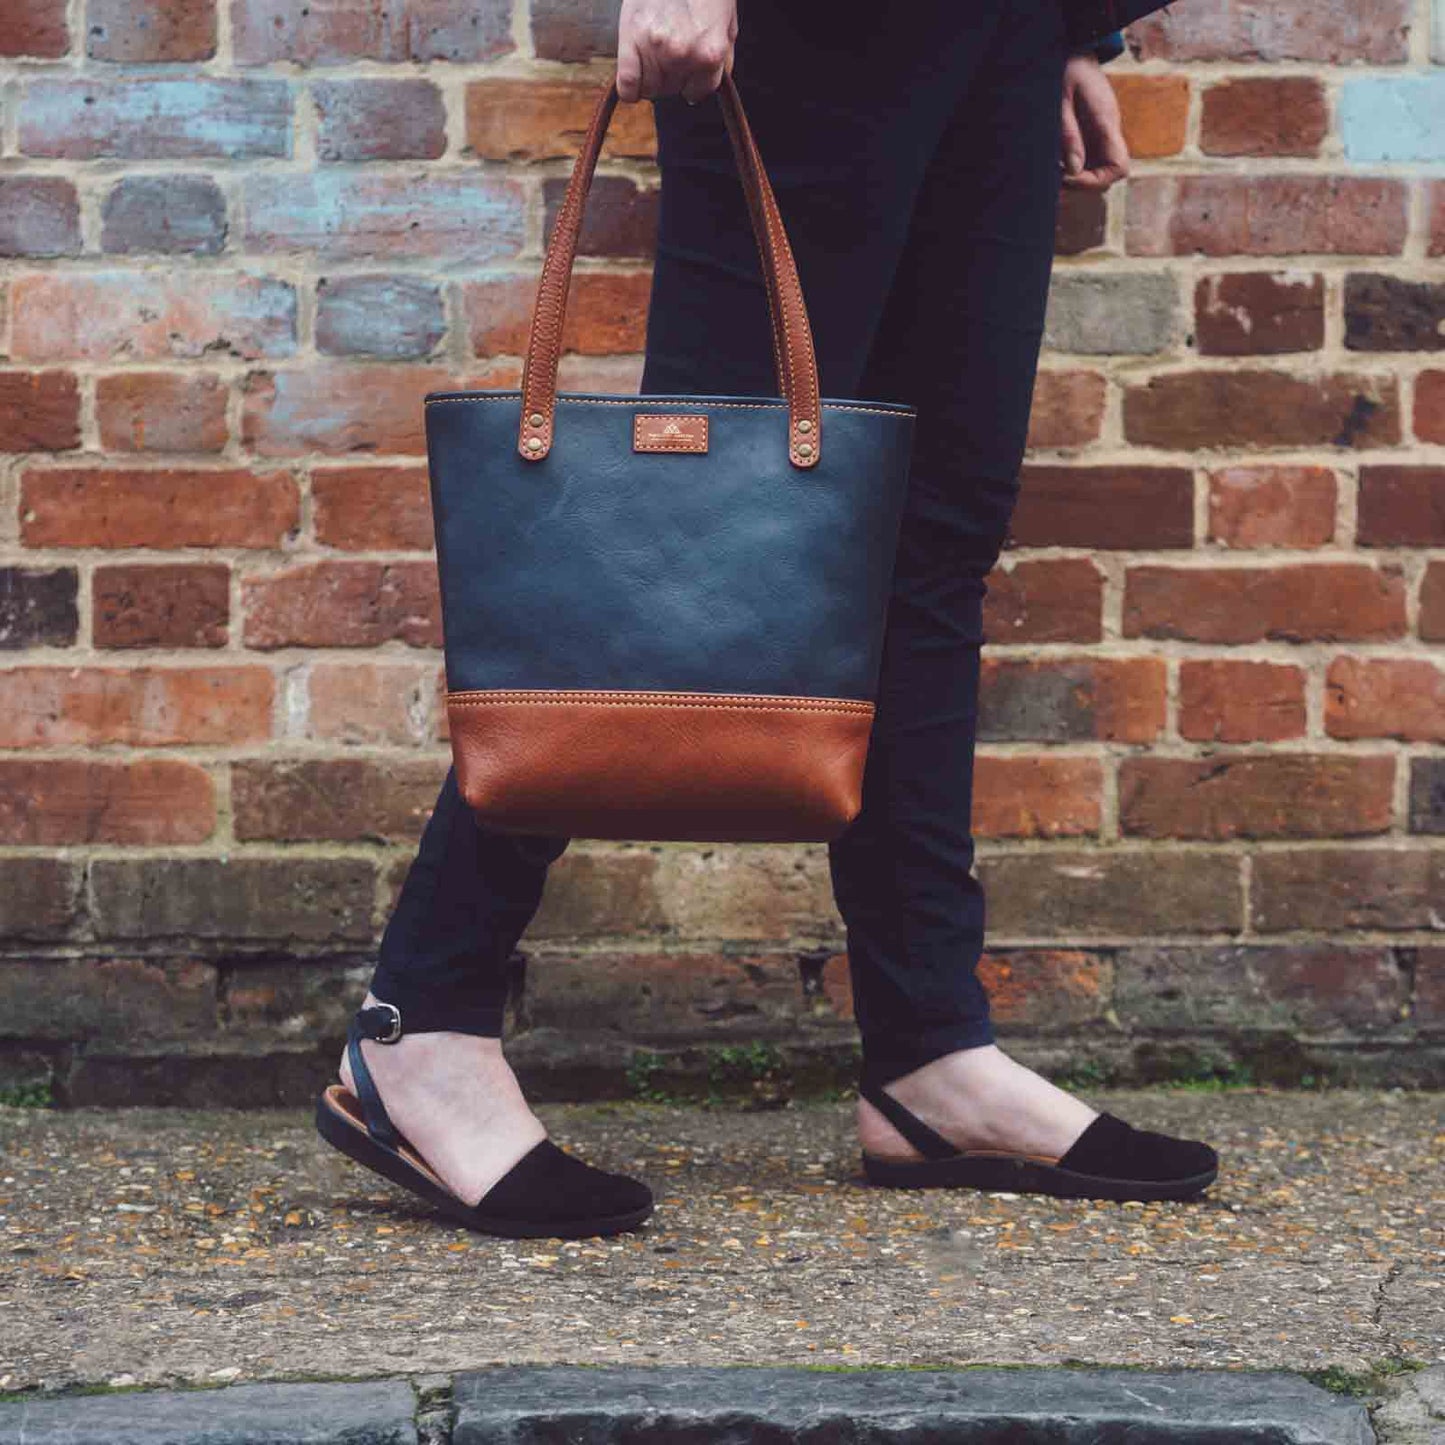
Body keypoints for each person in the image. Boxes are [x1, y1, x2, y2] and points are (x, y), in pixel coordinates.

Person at [315, 0, 1219, 1239]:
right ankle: (420, 1022)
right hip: (814, 32)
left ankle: (928, 1054)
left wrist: (1067, 27)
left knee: (932, 539)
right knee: (692, 527)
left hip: (998, 33)